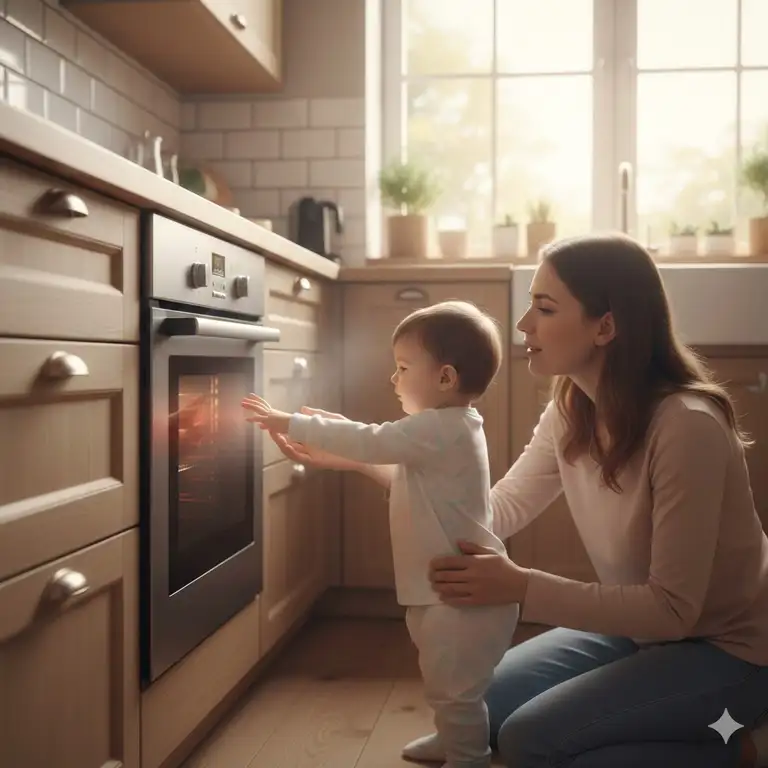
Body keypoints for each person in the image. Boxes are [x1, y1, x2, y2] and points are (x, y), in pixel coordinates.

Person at [267, 233, 768, 768]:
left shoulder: (687, 427)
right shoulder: (572, 411)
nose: (524, 324)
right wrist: (363, 459)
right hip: (636, 632)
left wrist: (521, 587)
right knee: (483, 707)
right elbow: (490, 513)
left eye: (544, 308)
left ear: (606, 326)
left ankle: (743, 746)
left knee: (532, 741)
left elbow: (671, 611)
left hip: (729, 650)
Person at [242, 301, 520, 768]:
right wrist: (336, 436)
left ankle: (467, 756)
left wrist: (291, 422)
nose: (394, 379)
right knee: (442, 678)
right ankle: (451, 737)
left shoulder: (442, 428)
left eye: (403, 367)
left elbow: (374, 440)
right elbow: (382, 453)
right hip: (445, 594)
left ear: (446, 378)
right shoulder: (443, 432)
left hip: (462, 600)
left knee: (456, 688)